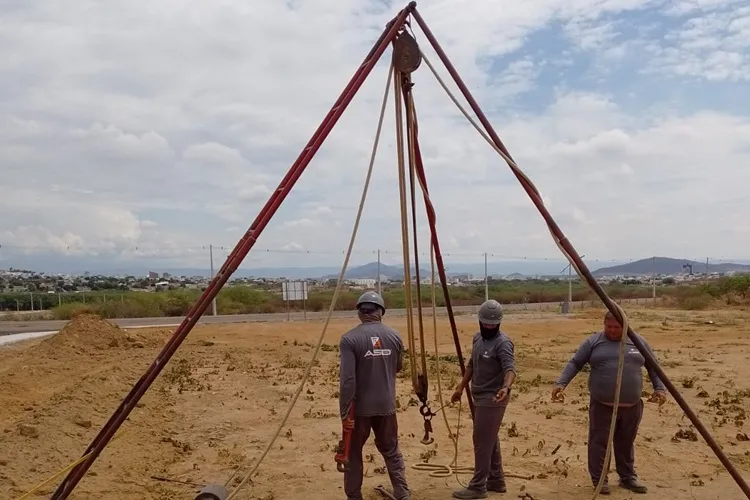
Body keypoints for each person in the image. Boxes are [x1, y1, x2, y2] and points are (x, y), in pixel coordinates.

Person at [552, 310, 668, 495]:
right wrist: (561, 383)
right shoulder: (594, 342)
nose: (612, 331)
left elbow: (654, 368)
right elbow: (575, 363)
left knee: (625, 442)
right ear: (604, 324)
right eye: (609, 326)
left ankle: (627, 478)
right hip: (602, 405)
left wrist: (659, 388)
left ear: (625, 326)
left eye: (617, 327)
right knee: (599, 443)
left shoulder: (638, 342)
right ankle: (600, 480)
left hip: (632, 406)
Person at [338, 291, 411, 500]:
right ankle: (402, 492)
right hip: (386, 405)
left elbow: (348, 381)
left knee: (352, 452)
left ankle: (354, 496)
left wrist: (344, 413)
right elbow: (398, 368)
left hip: (358, 410)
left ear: (360, 313)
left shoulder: (349, 339)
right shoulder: (394, 337)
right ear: (381, 312)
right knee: (391, 449)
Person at [450, 299, 516, 500]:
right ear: (479, 321)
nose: (488, 327)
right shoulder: (477, 338)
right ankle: (496, 479)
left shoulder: (503, 343)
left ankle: (478, 486)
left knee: (481, 441)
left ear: (499, 323)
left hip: (493, 398)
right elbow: (471, 364)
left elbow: (510, 369)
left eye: (492, 324)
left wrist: (505, 387)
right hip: (477, 395)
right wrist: (461, 387)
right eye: (485, 323)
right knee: (489, 438)